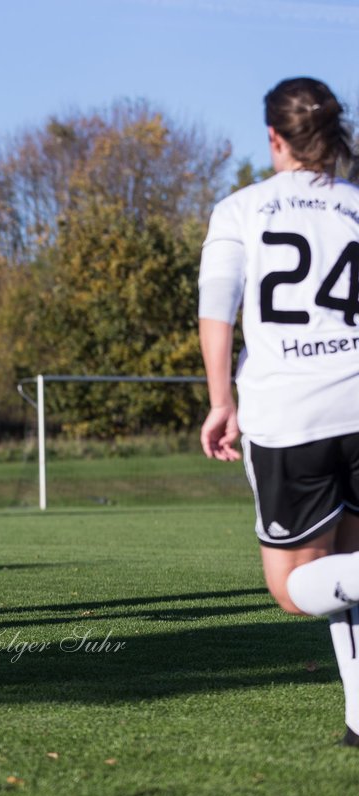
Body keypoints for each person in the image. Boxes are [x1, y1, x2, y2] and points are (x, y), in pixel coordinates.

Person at [199, 77, 359, 743]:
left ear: (275, 137)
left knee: (294, 589)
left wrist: (219, 401)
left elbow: (217, 311)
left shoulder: (241, 209)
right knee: (347, 572)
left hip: (289, 415)